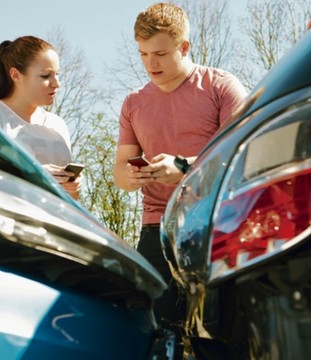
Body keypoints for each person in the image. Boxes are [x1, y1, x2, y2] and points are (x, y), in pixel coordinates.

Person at [112, 2, 248, 353]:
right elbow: (121, 174)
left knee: (220, 340)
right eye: (143, 54)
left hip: (217, 227)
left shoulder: (221, 86)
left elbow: (243, 155)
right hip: (155, 232)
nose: (150, 64)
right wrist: (131, 176)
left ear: (184, 47)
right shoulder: (132, 103)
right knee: (156, 340)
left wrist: (185, 168)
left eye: (159, 53)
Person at [0, 35, 81, 200]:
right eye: (46, 76)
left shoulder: (58, 124)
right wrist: (35, 176)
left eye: (57, 74)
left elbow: (72, 200)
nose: (57, 83)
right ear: (16, 75)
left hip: (54, 222)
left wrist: (72, 187)